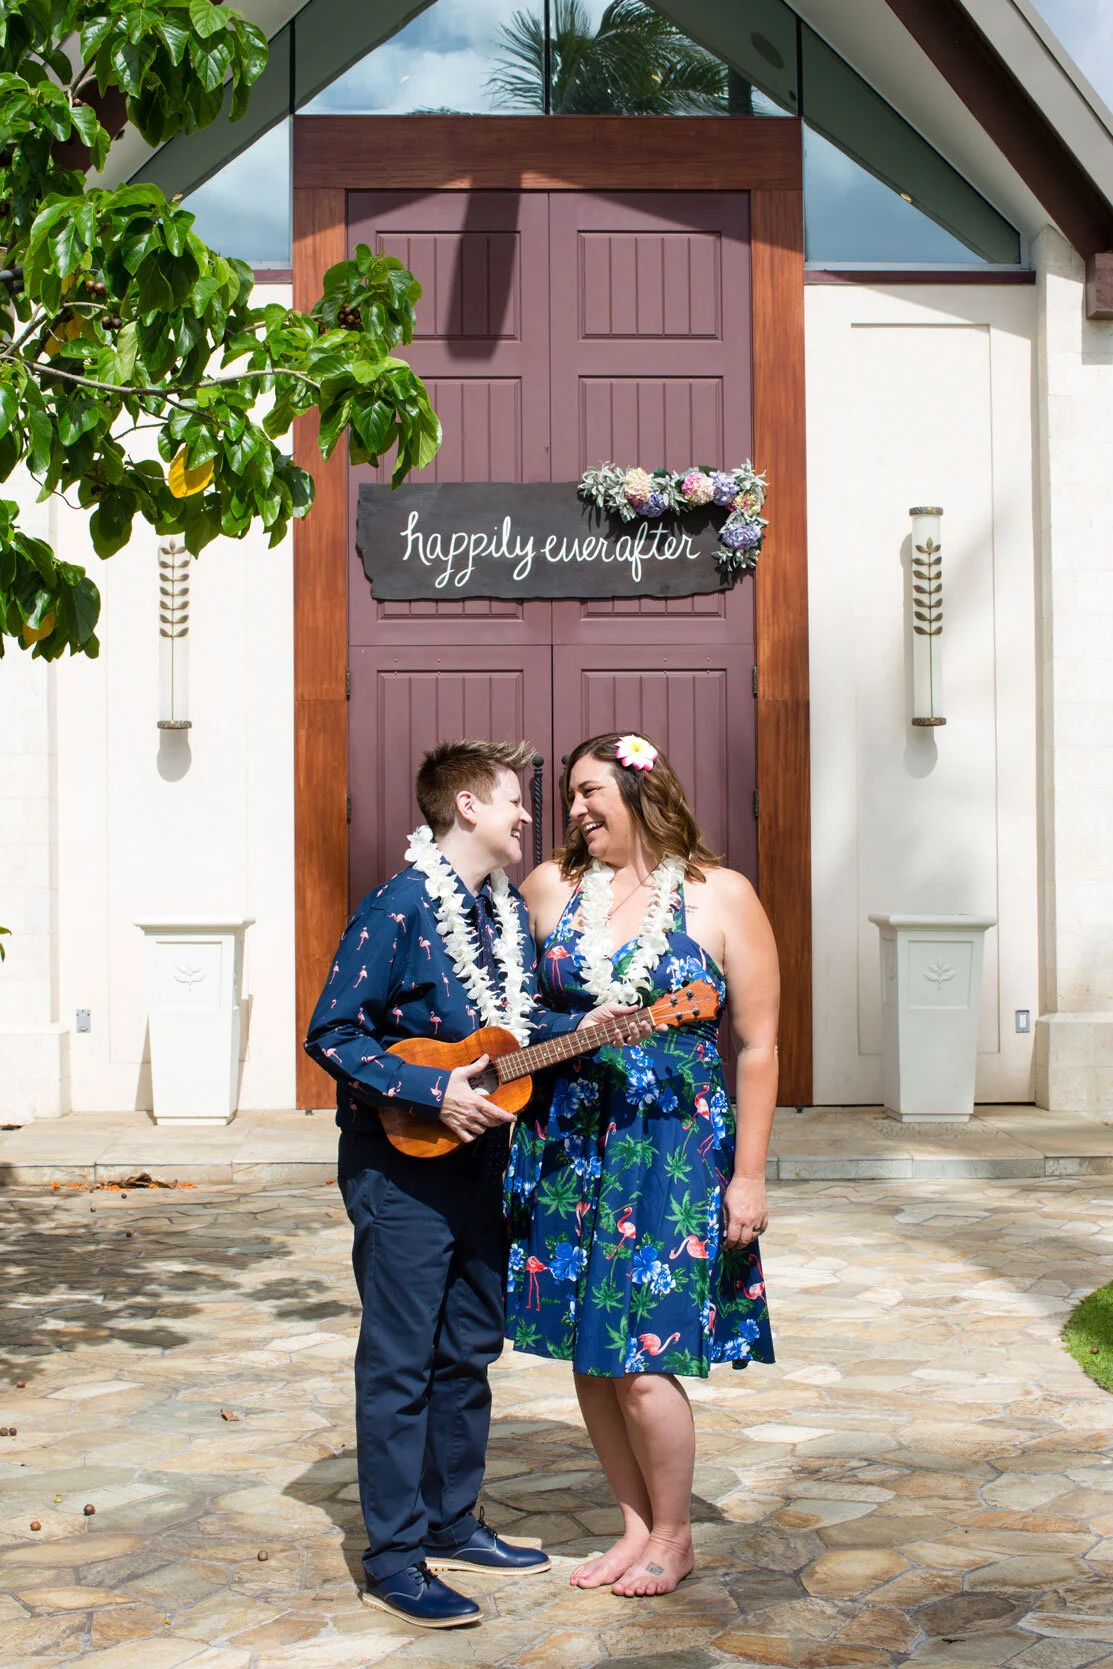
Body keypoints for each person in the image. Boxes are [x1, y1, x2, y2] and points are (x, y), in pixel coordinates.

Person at [305, 738, 641, 1629]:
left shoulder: (495, 913)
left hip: (483, 1165)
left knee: (466, 1349)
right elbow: (332, 1033)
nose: (529, 815)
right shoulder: (396, 907)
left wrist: (587, 1023)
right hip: (401, 1167)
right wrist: (431, 1088)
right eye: (512, 801)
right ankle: (394, 1555)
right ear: (465, 809)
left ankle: (451, 1519)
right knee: (401, 1360)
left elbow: (509, 1031)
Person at [504, 731, 778, 1598]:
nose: (577, 810)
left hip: (672, 1149)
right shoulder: (548, 888)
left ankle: (675, 1530)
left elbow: (760, 1046)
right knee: (591, 1350)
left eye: (592, 793)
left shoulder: (719, 894)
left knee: (643, 1353)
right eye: (570, 798)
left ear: (639, 789)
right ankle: (632, 1526)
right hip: (567, 1143)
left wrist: (750, 1175)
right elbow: (501, 1018)